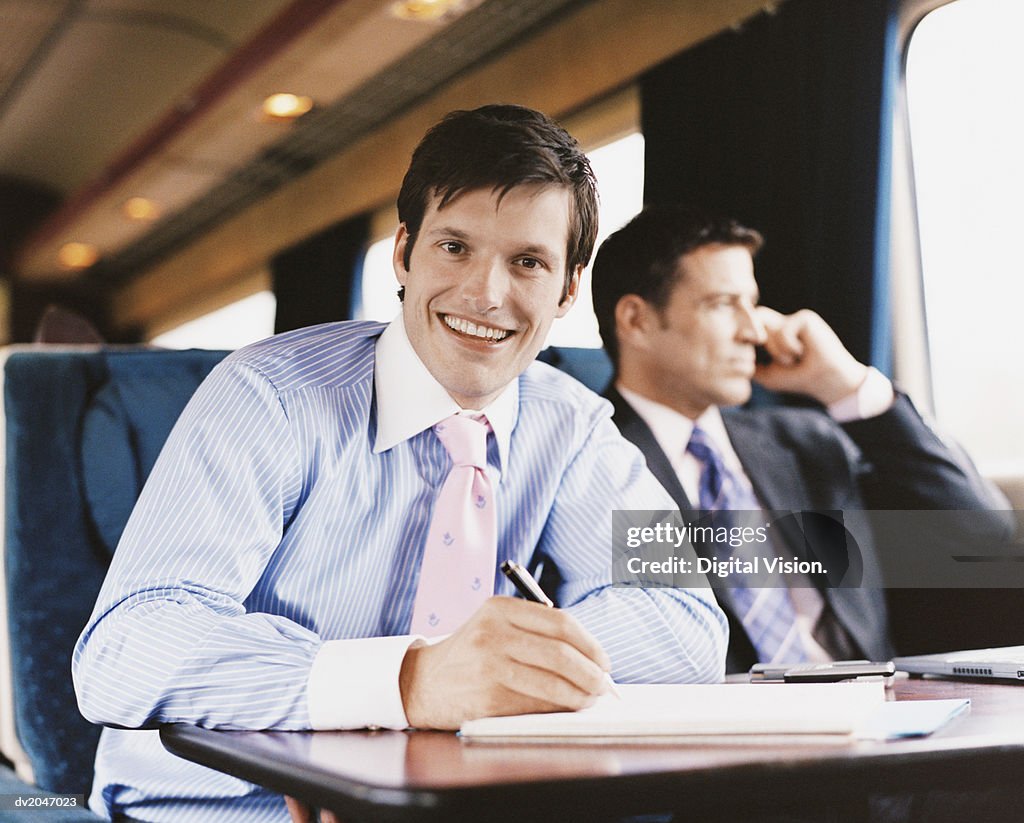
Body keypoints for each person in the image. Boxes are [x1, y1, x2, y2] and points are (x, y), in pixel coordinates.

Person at [72, 108, 727, 822]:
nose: (485, 293)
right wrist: (409, 681)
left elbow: (686, 624)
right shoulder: (269, 397)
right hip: (233, 805)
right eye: (454, 247)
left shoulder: (573, 427)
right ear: (404, 253)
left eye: (528, 262)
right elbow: (126, 647)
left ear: (569, 288)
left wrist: (495, 666)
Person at [591, 204, 1014, 674]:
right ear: (636, 320)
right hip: (728, 729)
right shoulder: (597, 460)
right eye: (723, 304)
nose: (753, 330)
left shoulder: (805, 440)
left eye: (751, 303)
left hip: (878, 709)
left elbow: (981, 535)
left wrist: (848, 386)